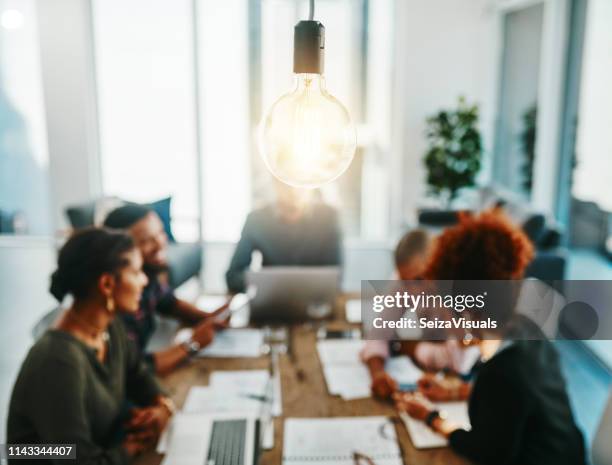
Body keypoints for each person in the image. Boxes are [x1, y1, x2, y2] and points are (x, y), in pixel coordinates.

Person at [394, 210, 586, 465]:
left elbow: (485, 451)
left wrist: (431, 417)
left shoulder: (501, 371)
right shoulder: (527, 333)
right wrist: (453, 393)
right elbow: (514, 404)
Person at [7, 228, 173, 464]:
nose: (144, 281)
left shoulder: (109, 327)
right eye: (136, 272)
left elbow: (139, 375)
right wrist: (130, 448)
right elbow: (73, 457)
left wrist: (161, 407)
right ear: (107, 284)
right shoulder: (58, 361)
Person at [104, 205, 226, 375]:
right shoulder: (117, 302)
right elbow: (131, 370)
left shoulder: (148, 275)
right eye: (146, 240)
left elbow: (169, 302)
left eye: (160, 232)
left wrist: (209, 318)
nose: (160, 243)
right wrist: (191, 344)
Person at [361, 230, 478, 399]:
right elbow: (378, 334)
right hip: (430, 374)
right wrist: (377, 374)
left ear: (438, 264)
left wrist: (412, 348)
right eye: (405, 282)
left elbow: (459, 362)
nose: (412, 291)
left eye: (418, 280)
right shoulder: (407, 279)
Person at [225, 182, 342, 293]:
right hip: (269, 306)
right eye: (287, 182)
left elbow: (335, 277)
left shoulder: (329, 217)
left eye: (301, 180)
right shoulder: (256, 220)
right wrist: (260, 286)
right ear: (275, 181)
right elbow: (233, 276)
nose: (294, 189)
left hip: (317, 307)